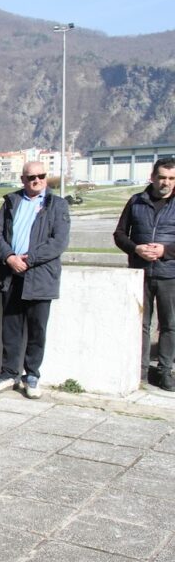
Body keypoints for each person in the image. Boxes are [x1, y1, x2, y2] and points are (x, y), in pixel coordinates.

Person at [0, 161, 71, 399]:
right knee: (10, 328)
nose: (36, 180)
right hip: (11, 275)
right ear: (23, 179)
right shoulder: (11, 201)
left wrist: (29, 259)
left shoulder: (57, 205)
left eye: (41, 176)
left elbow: (59, 242)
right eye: (31, 177)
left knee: (37, 329)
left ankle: (31, 375)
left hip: (40, 277)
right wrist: (9, 257)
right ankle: (8, 374)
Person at [113, 157, 175, 391]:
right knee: (141, 324)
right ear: (152, 177)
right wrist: (135, 248)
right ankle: (140, 369)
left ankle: (165, 370)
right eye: (162, 177)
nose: (166, 182)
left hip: (170, 274)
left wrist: (165, 251)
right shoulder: (136, 201)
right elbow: (120, 234)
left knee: (169, 325)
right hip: (140, 274)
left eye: (171, 178)